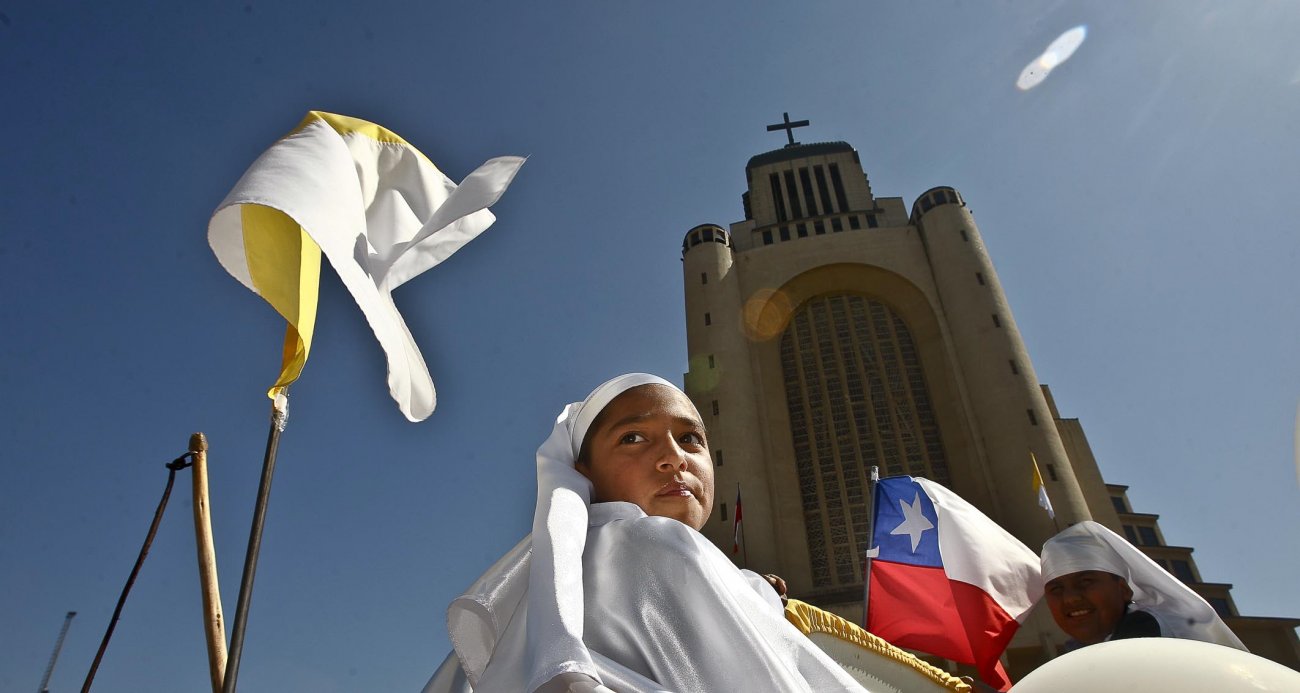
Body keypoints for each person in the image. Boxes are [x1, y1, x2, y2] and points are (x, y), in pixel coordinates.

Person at [442, 374, 867, 692]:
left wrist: (751, 588)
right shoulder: (652, 543)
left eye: (690, 438)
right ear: (582, 473)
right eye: (633, 437)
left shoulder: (543, 591)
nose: (674, 457)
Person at [1040, 521, 1247, 651]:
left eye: (1085, 582)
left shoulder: (1147, 631)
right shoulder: (1081, 650)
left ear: (1124, 589)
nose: (1070, 598)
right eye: (1056, 589)